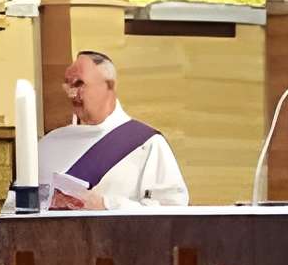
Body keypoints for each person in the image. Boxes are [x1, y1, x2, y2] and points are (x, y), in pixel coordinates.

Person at [33, 51, 188, 208]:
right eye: (68, 85)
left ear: (109, 85)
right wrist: (47, 201)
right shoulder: (49, 143)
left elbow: (171, 210)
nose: (72, 94)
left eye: (79, 84)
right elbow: (17, 206)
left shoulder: (147, 144)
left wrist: (105, 205)